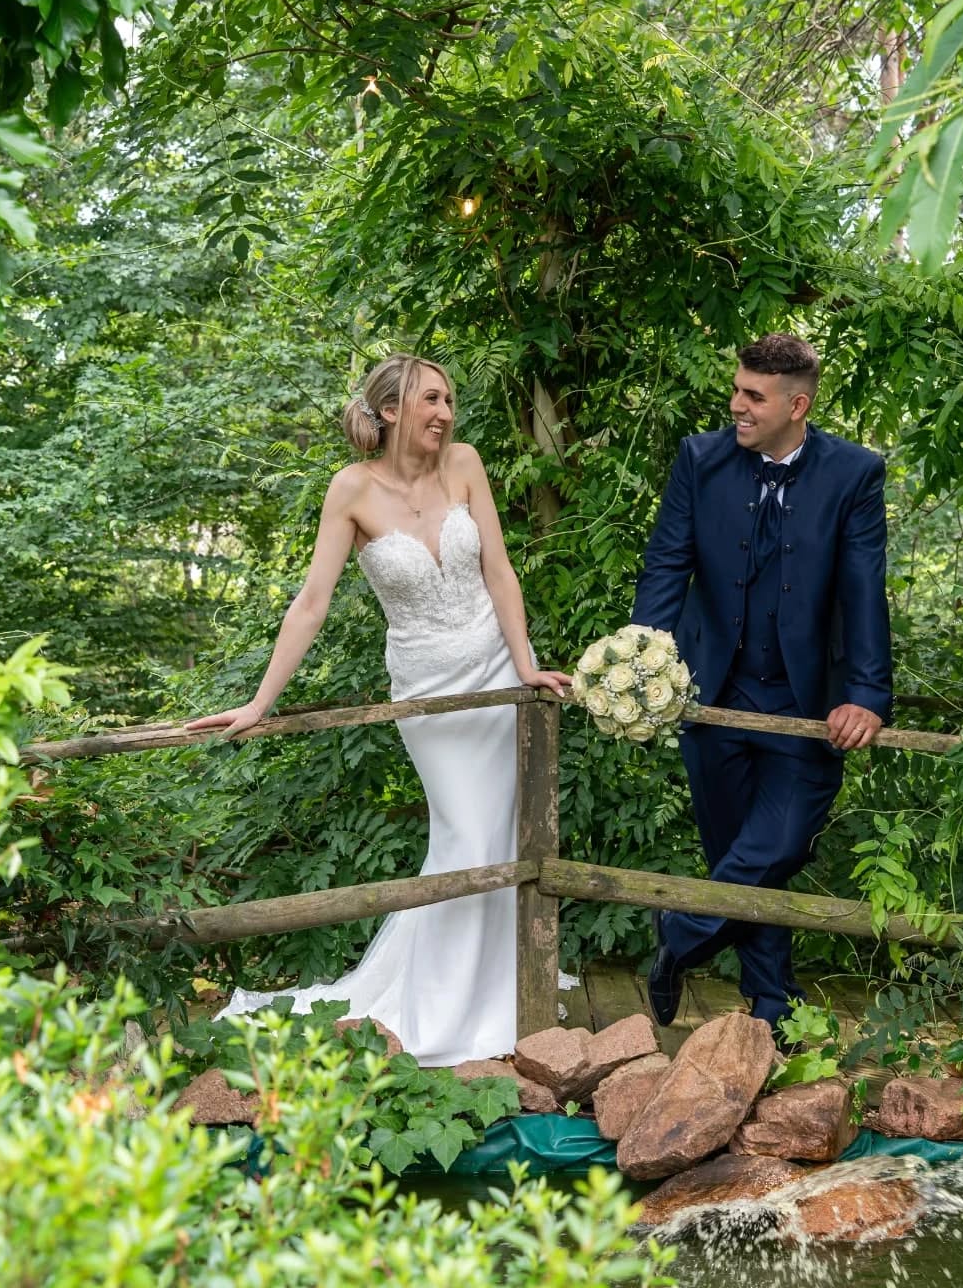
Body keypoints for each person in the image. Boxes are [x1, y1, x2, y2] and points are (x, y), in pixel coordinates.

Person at [185, 353, 569, 1067]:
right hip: (426, 686)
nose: (445, 412)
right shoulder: (351, 489)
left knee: (498, 835)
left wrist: (523, 664)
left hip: (492, 667)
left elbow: (500, 569)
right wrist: (259, 702)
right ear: (390, 411)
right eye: (431, 399)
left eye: (450, 399)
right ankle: (440, 1008)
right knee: (463, 830)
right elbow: (312, 603)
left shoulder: (466, 464)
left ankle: (500, 994)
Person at [631, 332, 892, 1031]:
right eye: (737, 390)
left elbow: (865, 587)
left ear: (796, 404)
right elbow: (666, 566)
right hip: (712, 693)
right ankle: (771, 1008)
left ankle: (679, 932)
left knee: (777, 844)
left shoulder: (856, 474)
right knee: (738, 854)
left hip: (808, 701)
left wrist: (866, 693)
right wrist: (643, 661)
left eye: (754, 396)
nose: (736, 405)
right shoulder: (700, 460)